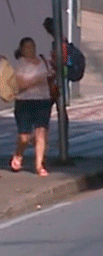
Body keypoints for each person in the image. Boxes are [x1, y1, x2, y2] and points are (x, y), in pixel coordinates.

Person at [10, 37, 54, 176]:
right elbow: (20, 86)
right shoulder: (19, 65)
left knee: (41, 134)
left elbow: (52, 77)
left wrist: (50, 76)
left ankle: (39, 165)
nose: (31, 49)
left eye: (33, 46)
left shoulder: (44, 62)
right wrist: (39, 79)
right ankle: (18, 154)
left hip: (43, 101)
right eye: (28, 47)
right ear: (22, 49)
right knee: (25, 136)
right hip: (24, 103)